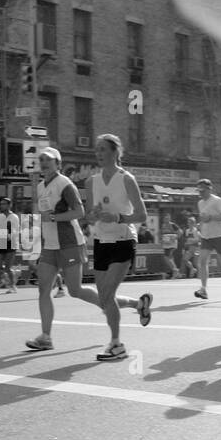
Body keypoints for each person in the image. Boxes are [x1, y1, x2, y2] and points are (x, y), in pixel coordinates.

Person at [26, 143, 151, 359]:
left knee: (79, 291)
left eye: (48, 159)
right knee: (43, 288)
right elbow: (81, 214)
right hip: (52, 244)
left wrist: (55, 217)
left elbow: (79, 212)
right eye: (41, 159)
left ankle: (132, 308)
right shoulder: (41, 186)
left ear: (57, 163)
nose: (43, 162)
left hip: (70, 243)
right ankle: (46, 337)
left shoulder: (65, 184)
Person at [77, 135, 154, 358]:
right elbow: (90, 217)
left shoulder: (126, 179)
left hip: (123, 240)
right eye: (97, 150)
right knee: (104, 298)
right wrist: (94, 214)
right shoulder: (92, 181)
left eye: (103, 149)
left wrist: (118, 217)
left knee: (108, 293)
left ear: (115, 152)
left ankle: (116, 344)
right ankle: (138, 304)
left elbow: (141, 214)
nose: (99, 154)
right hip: (101, 241)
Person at [193, 179, 221, 299]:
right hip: (206, 236)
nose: (201, 193)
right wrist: (201, 223)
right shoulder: (200, 203)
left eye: (203, 190)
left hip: (219, 235)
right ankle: (203, 289)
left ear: (210, 189)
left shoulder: (217, 200)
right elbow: (204, 218)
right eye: (199, 190)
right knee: (202, 261)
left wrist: (211, 217)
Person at [0, 198, 20, 293]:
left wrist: (10, 236)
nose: (1, 205)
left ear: (9, 205)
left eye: (4, 204)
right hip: (1, 242)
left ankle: (12, 286)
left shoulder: (14, 217)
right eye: (1, 204)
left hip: (11, 243)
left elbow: (16, 230)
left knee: (8, 267)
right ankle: (6, 278)